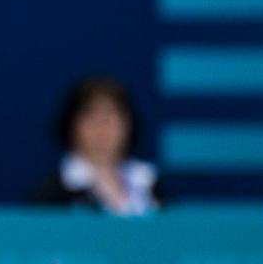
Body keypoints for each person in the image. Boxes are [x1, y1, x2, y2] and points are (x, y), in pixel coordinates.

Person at [31, 76, 164, 215]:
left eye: (111, 114)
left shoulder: (150, 184)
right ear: (72, 125)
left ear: (128, 123)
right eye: (91, 115)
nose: (102, 125)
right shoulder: (52, 194)